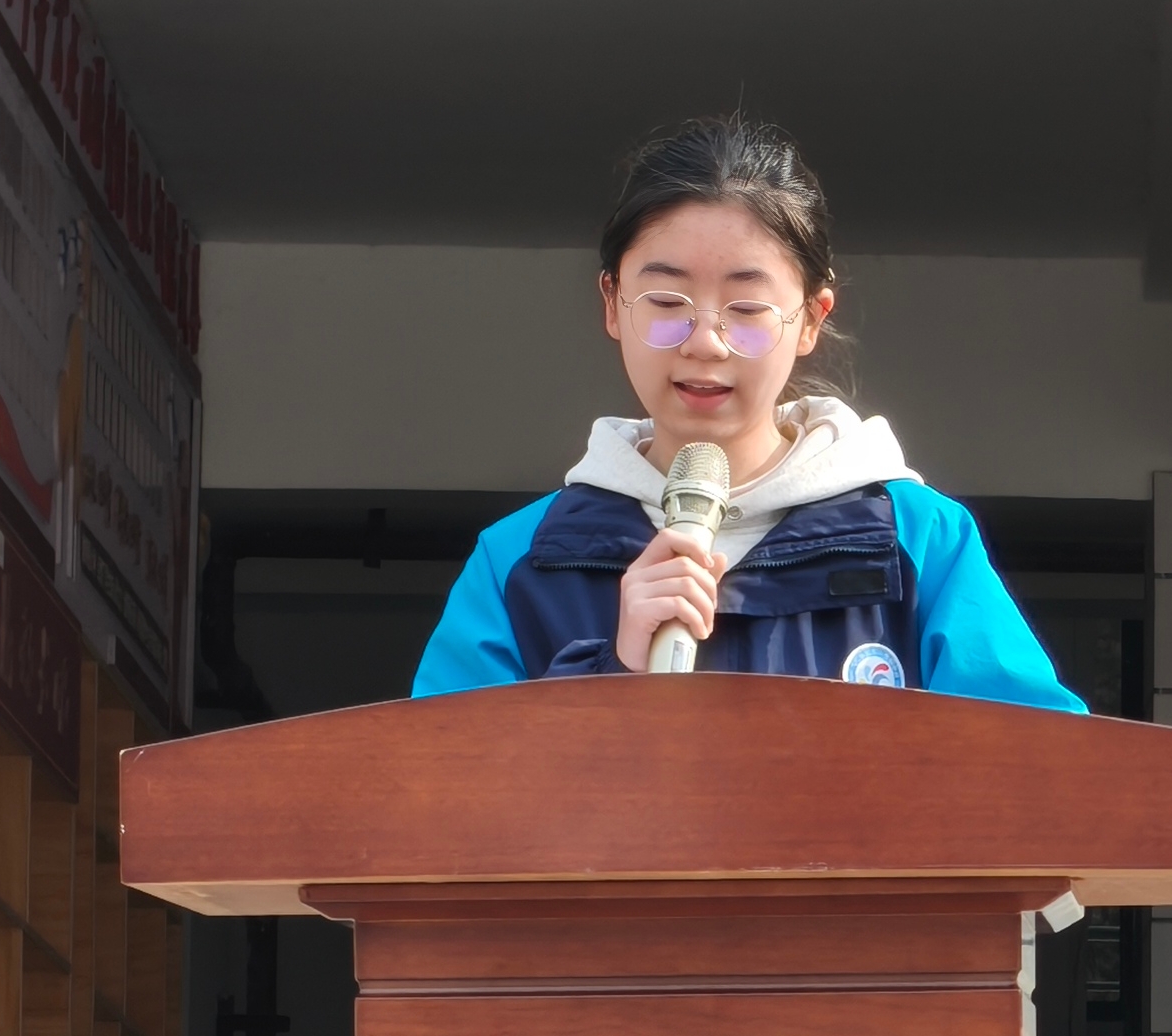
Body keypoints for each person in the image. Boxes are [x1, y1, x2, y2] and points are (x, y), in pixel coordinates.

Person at [411, 115, 1083, 711]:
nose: (706, 341)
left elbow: (1044, 772)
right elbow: (437, 787)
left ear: (811, 317)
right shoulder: (518, 560)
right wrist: (612, 674)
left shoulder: (919, 538)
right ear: (612, 304)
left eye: (747, 308)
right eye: (667, 303)